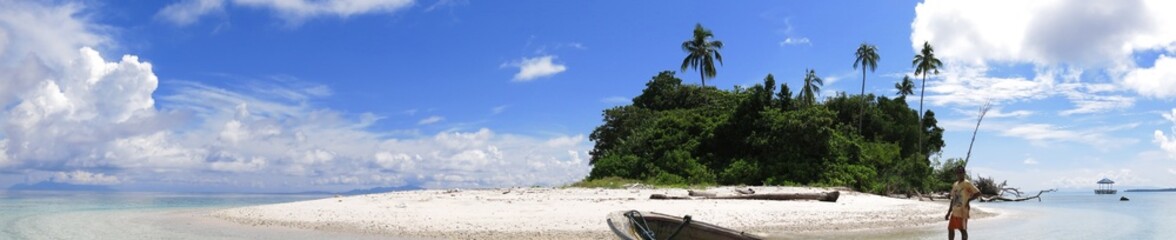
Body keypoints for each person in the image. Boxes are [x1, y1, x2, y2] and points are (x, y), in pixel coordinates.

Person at [945, 165, 980, 240]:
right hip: (955, 211)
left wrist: (968, 200)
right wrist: (948, 213)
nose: (959, 174)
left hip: (963, 210)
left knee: (962, 230)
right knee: (950, 229)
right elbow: (952, 199)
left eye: (961, 172)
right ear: (956, 173)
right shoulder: (955, 184)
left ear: (964, 173)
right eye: (958, 172)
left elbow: (978, 193)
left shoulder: (967, 183)